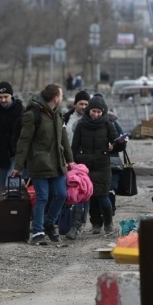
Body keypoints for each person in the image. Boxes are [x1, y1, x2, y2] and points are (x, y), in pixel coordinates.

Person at [12, 84, 74, 245]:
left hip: (58, 163)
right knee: (42, 197)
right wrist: (18, 166)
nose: (61, 98)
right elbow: (24, 142)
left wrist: (70, 159)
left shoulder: (58, 114)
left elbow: (64, 139)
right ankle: (37, 231)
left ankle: (49, 223)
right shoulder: (33, 115)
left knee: (61, 194)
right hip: (39, 163)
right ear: (56, 98)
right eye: (61, 95)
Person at [70, 95, 126, 236]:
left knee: (102, 196)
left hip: (102, 166)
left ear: (103, 112)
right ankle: (82, 226)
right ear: (89, 110)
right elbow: (74, 146)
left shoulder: (108, 124)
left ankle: (108, 224)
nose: (96, 115)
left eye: (99, 112)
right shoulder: (81, 125)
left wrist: (119, 143)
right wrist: (72, 162)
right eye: (93, 111)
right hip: (84, 167)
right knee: (82, 196)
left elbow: (117, 144)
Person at [63, 90, 90, 239]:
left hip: (84, 162)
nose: (84, 106)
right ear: (75, 104)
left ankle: (78, 224)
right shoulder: (66, 118)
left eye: (86, 104)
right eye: (81, 103)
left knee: (81, 193)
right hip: (68, 160)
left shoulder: (91, 119)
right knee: (69, 193)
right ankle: (67, 222)